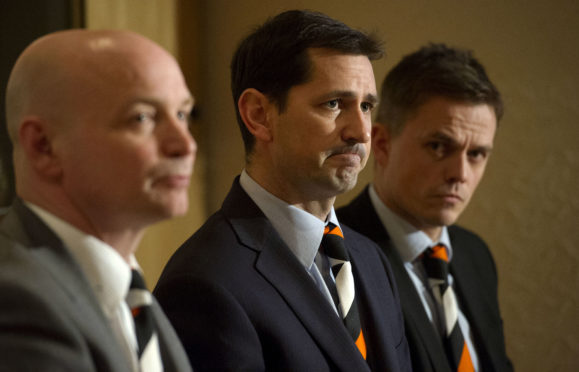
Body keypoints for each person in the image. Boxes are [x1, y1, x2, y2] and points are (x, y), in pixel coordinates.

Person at [154, 10, 411, 372]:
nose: (360, 131)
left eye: (366, 106)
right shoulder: (204, 281)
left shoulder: (371, 257)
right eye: (334, 104)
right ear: (259, 114)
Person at [0, 29, 196, 372]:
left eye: (182, 114)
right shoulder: (16, 299)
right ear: (43, 146)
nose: (184, 144)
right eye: (142, 117)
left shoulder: (124, 284)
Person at [337, 43, 513, 371]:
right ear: (383, 144)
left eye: (476, 154)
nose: (460, 174)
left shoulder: (475, 254)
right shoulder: (334, 257)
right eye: (438, 146)